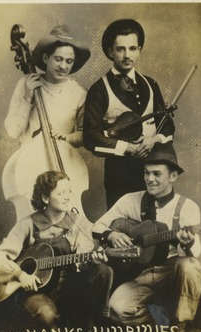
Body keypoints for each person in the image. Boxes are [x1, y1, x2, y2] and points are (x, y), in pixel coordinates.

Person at [92, 142, 201, 332]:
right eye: (146, 173)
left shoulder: (187, 207)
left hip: (171, 273)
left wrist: (187, 244)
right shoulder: (130, 200)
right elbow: (98, 226)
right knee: (117, 310)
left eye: (157, 174)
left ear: (173, 176)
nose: (149, 179)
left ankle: (181, 323)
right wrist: (112, 233)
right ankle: (163, 316)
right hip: (141, 274)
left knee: (189, 265)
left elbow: (196, 255)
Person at [0, 170, 113, 332]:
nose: (67, 197)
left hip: (68, 288)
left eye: (69, 191)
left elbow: (85, 262)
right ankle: (51, 323)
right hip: (37, 290)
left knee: (103, 270)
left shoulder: (77, 222)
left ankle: (84, 326)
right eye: (61, 193)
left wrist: (93, 260)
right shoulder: (27, 224)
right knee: (47, 321)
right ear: (45, 198)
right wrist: (21, 274)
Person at [83, 19, 175, 209]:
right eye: (120, 49)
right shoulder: (99, 90)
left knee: (155, 227)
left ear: (139, 49)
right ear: (110, 52)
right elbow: (91, 137)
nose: (127, 55)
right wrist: (128, 147)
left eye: (133, 48)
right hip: (120, 175)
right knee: (123, 229)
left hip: (154, 171)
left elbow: (167, 125)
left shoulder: (151, 84)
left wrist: (154, 140)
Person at [5, 25, 90, 146]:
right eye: (58, 59)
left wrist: (68, 137)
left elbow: (85, 134)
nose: (63, 66)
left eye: (69, 61)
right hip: (30, 158)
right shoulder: (26, 83)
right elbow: (13, 132)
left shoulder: (79, 93)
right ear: (46, 58)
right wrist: (27, 98)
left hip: (64, 158)